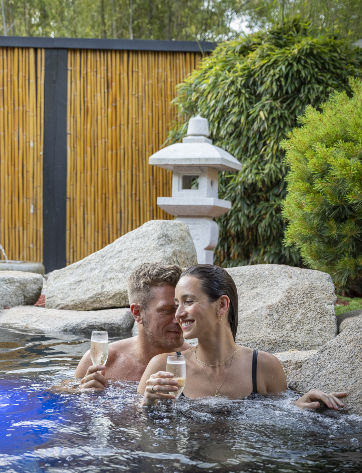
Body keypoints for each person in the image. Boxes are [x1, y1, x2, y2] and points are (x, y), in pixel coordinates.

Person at [138, 264, 347, 410]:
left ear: (222, 305)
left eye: (188, 301)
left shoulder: (264, 367)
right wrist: (147, 406)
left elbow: (277, 432)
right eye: (177, 305)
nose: (178, 314)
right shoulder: (162, 368)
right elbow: (136, 436)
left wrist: (297, 408)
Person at [74, 263, 190, 390]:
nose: (179, 318)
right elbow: (65, 402)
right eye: (167, 310)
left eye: (183, 307)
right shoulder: (103, 363)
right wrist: (84, 397)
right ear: (137, 312)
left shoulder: (198, 362)